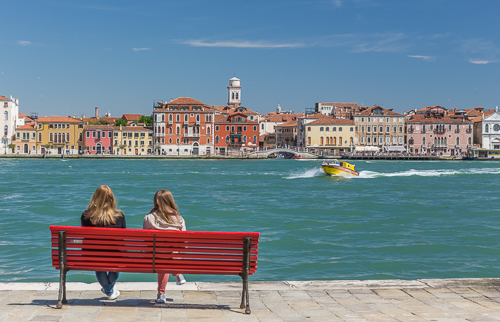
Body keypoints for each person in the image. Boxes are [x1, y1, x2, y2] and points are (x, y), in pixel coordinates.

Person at [81, 185, 126, 300]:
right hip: (115, 255)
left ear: (94, 198)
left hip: (93, 255)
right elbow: (123, 237)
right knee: (115, 265)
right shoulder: (119, 216)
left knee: (99, 264)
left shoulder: (86, 216)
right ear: (111, 199)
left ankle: (109, 290)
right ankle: (109, 290)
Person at [143, 189, 187, 303]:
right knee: (171, 254)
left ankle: (161, 294)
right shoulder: (179, 219)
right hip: (174, 258)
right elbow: (184, 244)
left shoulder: (149, 218)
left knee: (163, 257)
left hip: (156, 257)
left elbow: (146, 242)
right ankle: (177, 273)